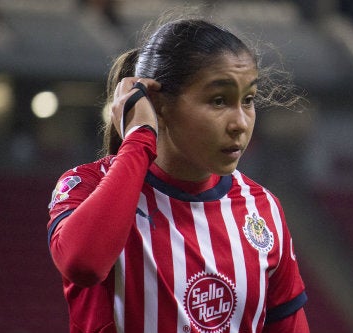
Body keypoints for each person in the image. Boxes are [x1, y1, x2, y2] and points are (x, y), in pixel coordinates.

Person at [47, 18, 309, 333]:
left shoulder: (262, 208)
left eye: (248, 100)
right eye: (218, 101)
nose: (240, 122)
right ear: (158, 102)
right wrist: (140, 135)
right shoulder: (87, 185)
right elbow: (84, 264)